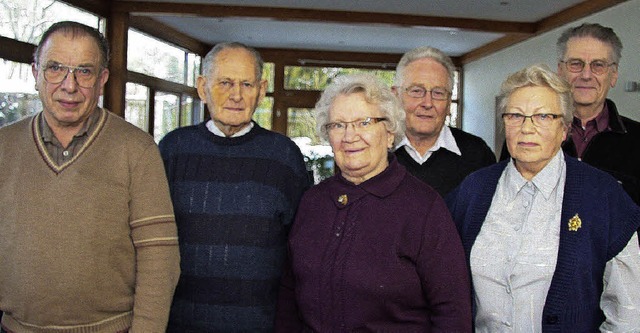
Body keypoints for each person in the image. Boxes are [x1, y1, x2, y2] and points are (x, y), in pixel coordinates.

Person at [0, 21, 180, 332]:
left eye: (84, 71)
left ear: (102, 80)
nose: (69, 86)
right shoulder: (4, 147)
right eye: (55, 68)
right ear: (35, 73)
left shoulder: (137, 150)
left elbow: (159, 257)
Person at [447, 64, 640, 332]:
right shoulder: (474, 189)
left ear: (564, 129)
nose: (527, 128)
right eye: (515, 116)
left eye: (543, 117)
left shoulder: (604, 195)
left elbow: (628, 314)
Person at [275, 73, 472, 332]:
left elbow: (452, 313)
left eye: (364, 122)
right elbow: (290, 297)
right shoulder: (313, 201)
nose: (350, 135)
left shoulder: (424, 208)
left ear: (390, 133)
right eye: (338, 125)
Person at [160, 42, 311, 332]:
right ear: (203, 87)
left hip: (260, 323)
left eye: (247, 84)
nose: (236, 95)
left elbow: (300, 248)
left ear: (262, 89)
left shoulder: (284, 155)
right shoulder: (173, 149)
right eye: (225, 83)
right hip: (179, 322)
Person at [501, 23, 640, 204]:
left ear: (613, 75)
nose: (586, 75)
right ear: (560, 70)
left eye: (598, 65)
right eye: (576, 64)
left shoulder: (637, 140)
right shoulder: (526, 136)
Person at [392, 46, 495, 197]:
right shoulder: (375, 150)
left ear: (448, 103)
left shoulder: (478, 155)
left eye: (438, 93)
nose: (427, 103)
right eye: (416, 91)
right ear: (395, 96)